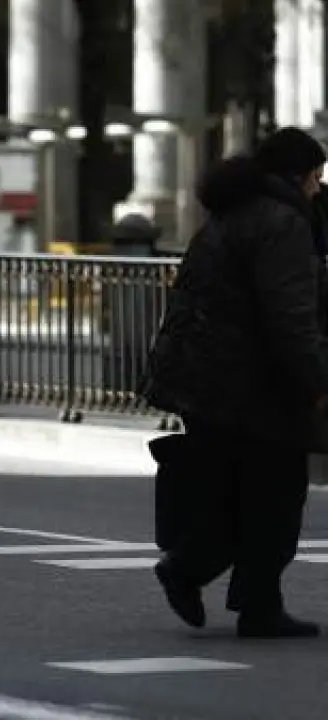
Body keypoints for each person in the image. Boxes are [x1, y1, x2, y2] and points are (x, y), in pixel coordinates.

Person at [142, 127, 328, 639]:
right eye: (316, 177)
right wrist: (317, 381)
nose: (319, 188)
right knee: (274, 495)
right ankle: (219, 585)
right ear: (299, 175)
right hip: (252, 383)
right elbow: (289, 315)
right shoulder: (282, 223)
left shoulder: (232, 214)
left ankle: (237, 592)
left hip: (209, 378)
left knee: (236, 492)